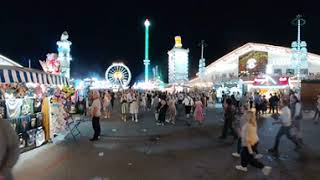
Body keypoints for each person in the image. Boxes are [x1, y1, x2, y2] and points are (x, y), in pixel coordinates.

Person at [235, 111, 272, 176]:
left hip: (249, 144)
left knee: (249, 159)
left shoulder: (247, 126)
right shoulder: (254, 122)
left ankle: (263, 167)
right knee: (243, 155)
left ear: (248, 117)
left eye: (245, 115)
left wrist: (250, 151)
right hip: (255, 141)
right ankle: (243, 166)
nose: (244, 116)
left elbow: (247, 139)